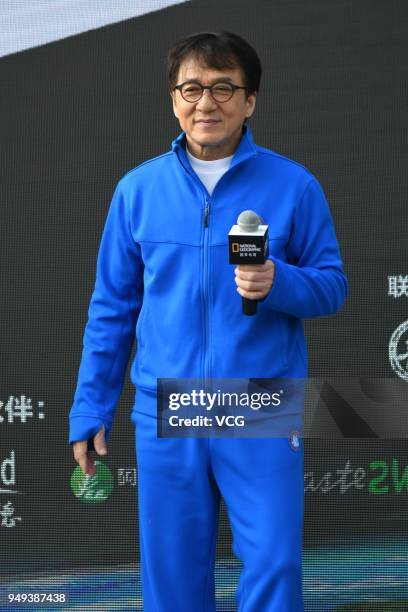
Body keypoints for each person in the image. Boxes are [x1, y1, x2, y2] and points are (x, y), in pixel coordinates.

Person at [69, 31, 348, 611]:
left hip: (259, 402)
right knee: (172, 581)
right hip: (168, 406)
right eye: (192, 88)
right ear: (174, 99)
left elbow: (331, 285)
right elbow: (112, 309)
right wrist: (91, 406)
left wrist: (280, 282)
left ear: (250, 102)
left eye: (224, 88)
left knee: (275, 563)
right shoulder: (136, 190)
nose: (206, 102)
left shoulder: (294, 185)